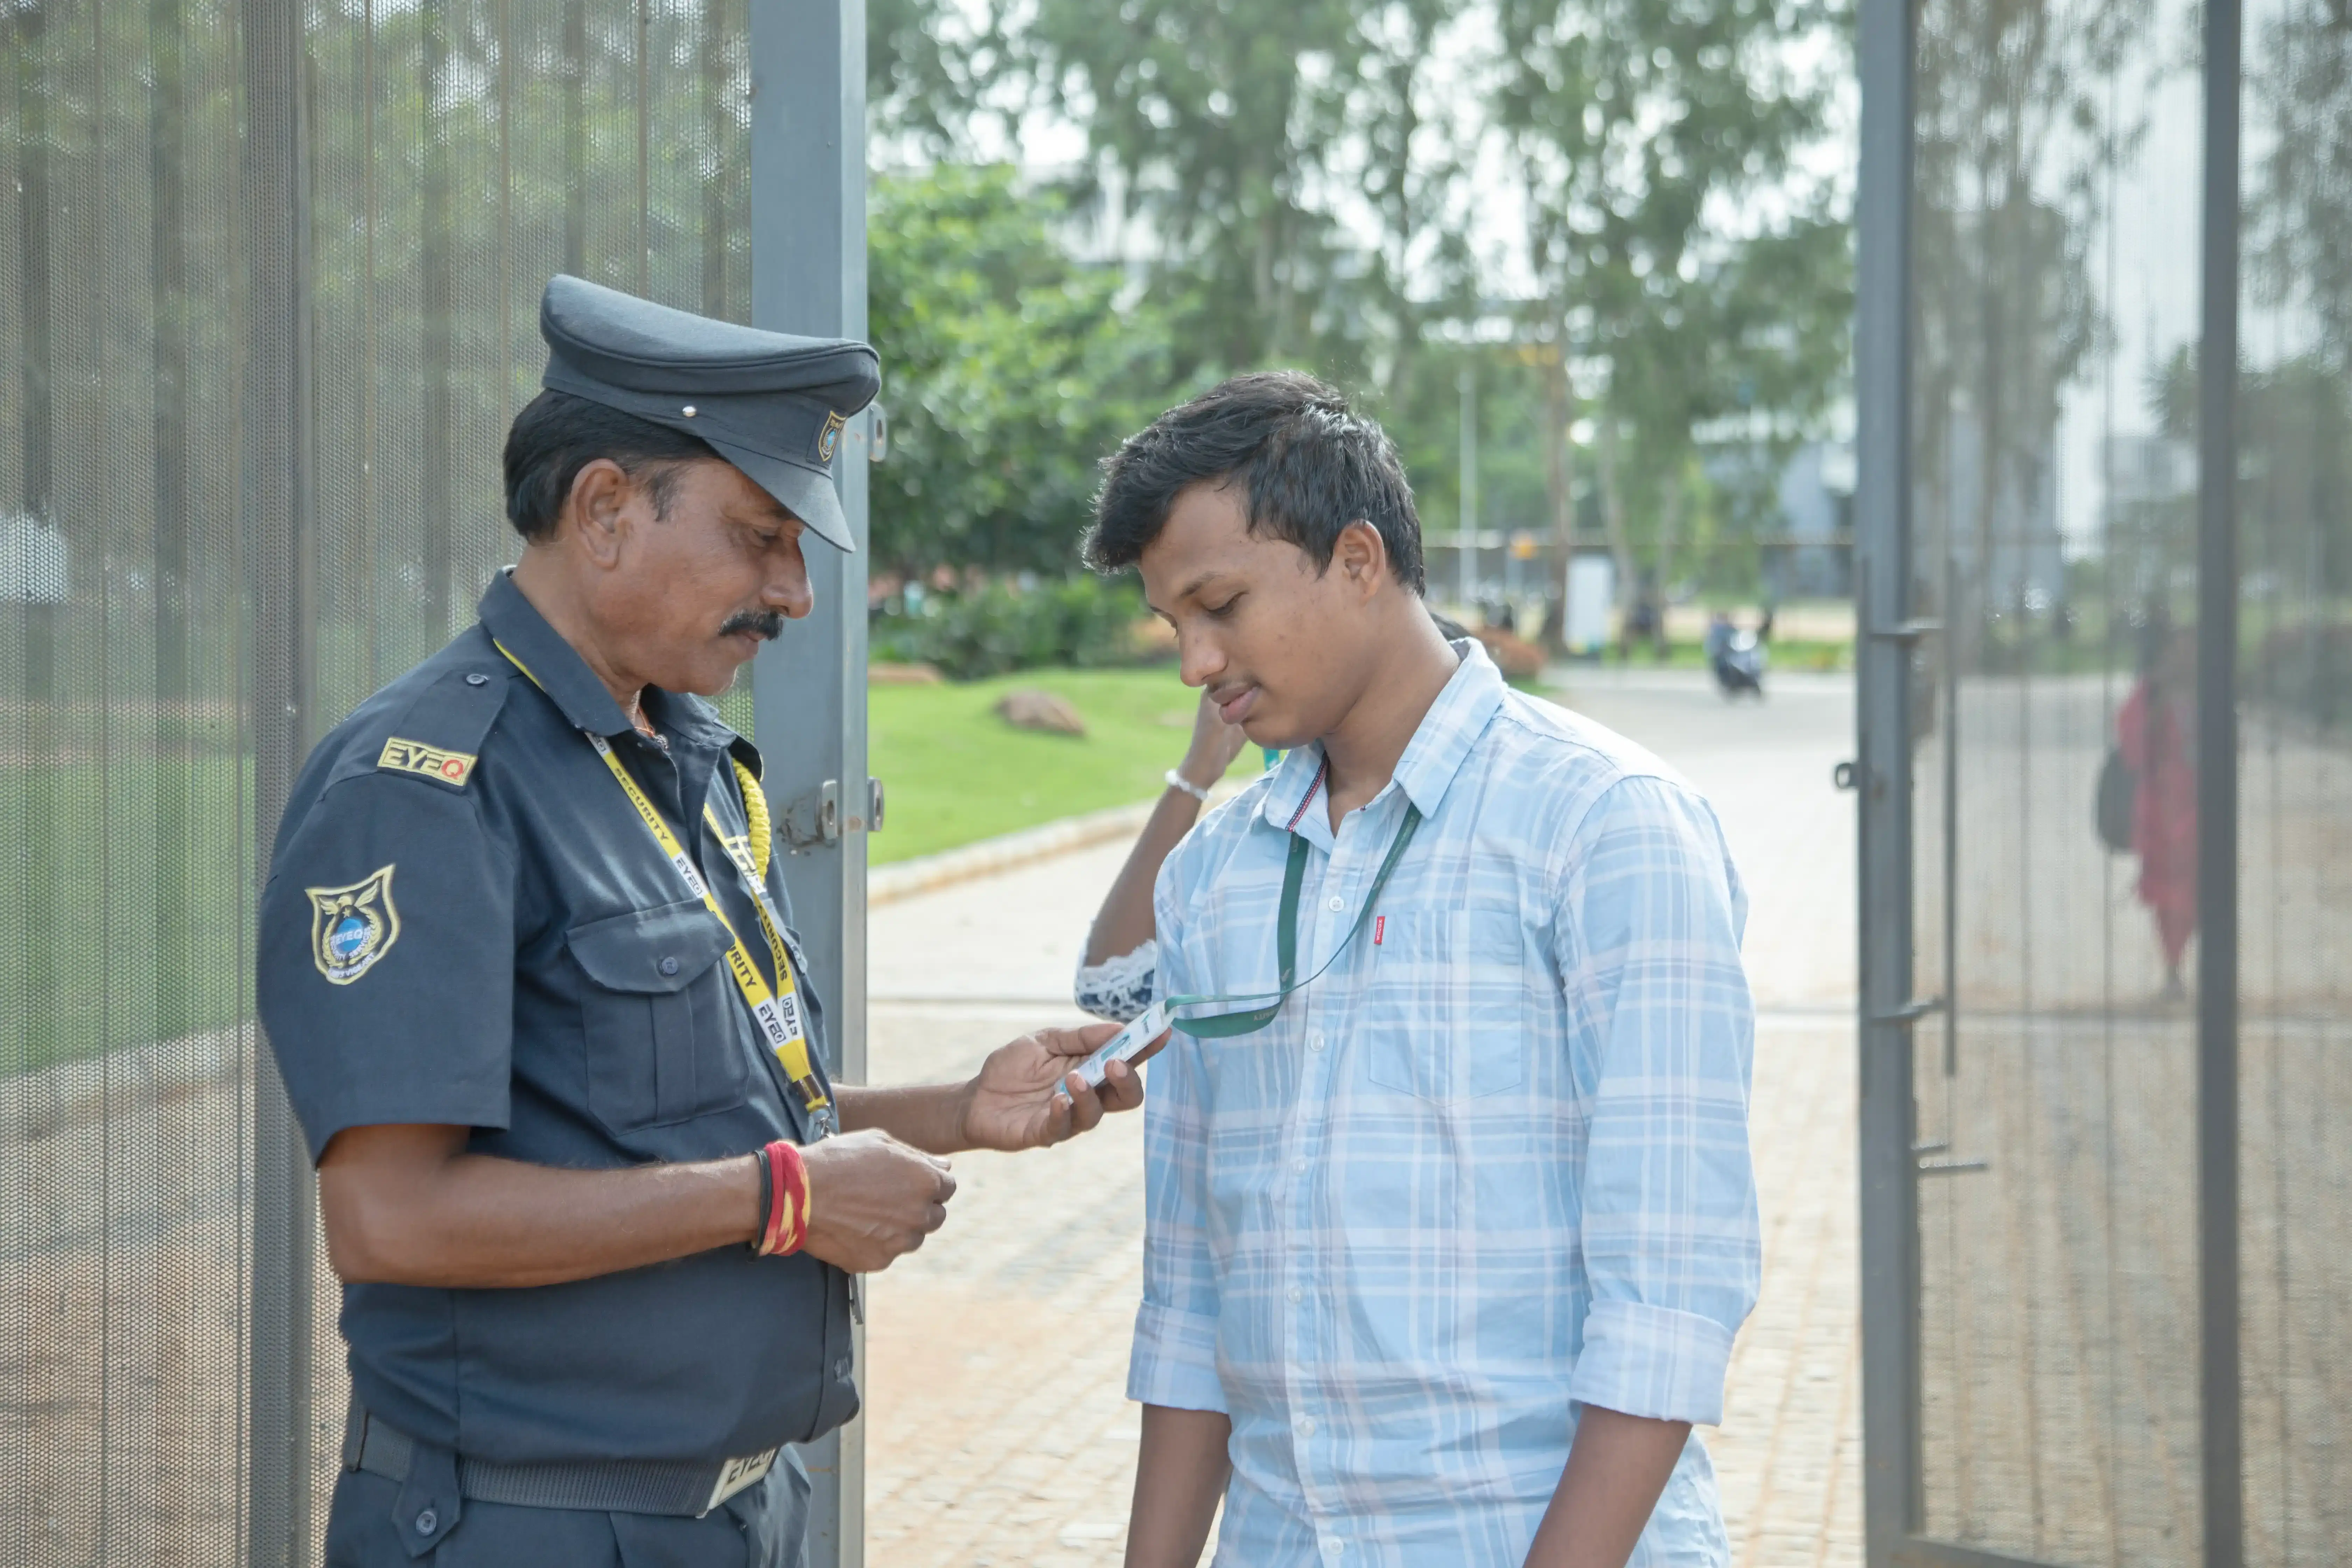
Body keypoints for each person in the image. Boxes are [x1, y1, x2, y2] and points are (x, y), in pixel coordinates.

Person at [256, 275, 1142, 1568]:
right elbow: (391, 1218)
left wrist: (956, 1108)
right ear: (605, 510)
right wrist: (785, 1196)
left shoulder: (683, 756)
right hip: (530, 1524)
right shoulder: (430, 787)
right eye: (760, 536)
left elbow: (676, 1113)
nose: (795, 591)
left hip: (736, 1511)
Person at [1085, 372, 1761, 1567]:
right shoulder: (1212, 880)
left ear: (1357, 559)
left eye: (1220, 605)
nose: (1195, 661)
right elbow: (1191, 1301)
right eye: (1173, 622)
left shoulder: (1605, 826)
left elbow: (1667, 1300)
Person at [2116, 623, 2199, 1002]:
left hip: (2202, 806)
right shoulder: (2150, 694)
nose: (2185, 656)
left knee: (2202, 889)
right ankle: (2173, 966)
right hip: (2161, 810)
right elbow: (2133, 749)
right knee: (2167, 894)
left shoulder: (2211, 689)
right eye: (2179, 648)